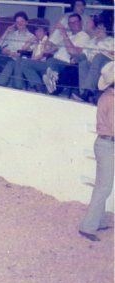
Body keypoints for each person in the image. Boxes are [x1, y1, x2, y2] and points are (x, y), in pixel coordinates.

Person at [78, 61, 114, 242]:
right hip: (109, 144)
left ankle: (97, 221)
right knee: (105, 187)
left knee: (102, 185)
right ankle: (88, 226)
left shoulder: (106, 96)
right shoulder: (112, 100)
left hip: (104, 143)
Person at [21, 13, 90, 94]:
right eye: (71, 23)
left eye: (75, 22)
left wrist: (64, 35)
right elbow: (48, 48)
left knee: (51, 61)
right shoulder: (69, 35)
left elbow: (73, 52)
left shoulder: (84, 36)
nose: (73, 24)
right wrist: (54, 30)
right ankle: (39, 87)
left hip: (65, 65)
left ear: (81, 22)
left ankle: (51, 83)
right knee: (25, 63)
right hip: (51, 63)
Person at [72, 16, 113, 103]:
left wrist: (102, 46)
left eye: (101, 28)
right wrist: (77, 58)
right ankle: (83, 93)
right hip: (92, 64)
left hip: (105, 63)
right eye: (97, 28)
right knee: (84, 63)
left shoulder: (111, 41)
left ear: (106, 30)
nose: (98, 30)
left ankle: (88, 91)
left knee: (98, 57)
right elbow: (84, 54)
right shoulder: (92, 41)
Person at [0, 11, 35, 87]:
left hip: (20, 59)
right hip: (8, 57)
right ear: (15, 24)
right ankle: (17, 87)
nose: (19, 24)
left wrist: (16, 54)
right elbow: (0, 45)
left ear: (26, 22)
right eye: (17, 22)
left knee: (12, 63)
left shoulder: (32, 37)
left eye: (22, 21)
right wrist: (6, 32)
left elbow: (30, 52)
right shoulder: (12, 34)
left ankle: (0, 84)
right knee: (10, 61)